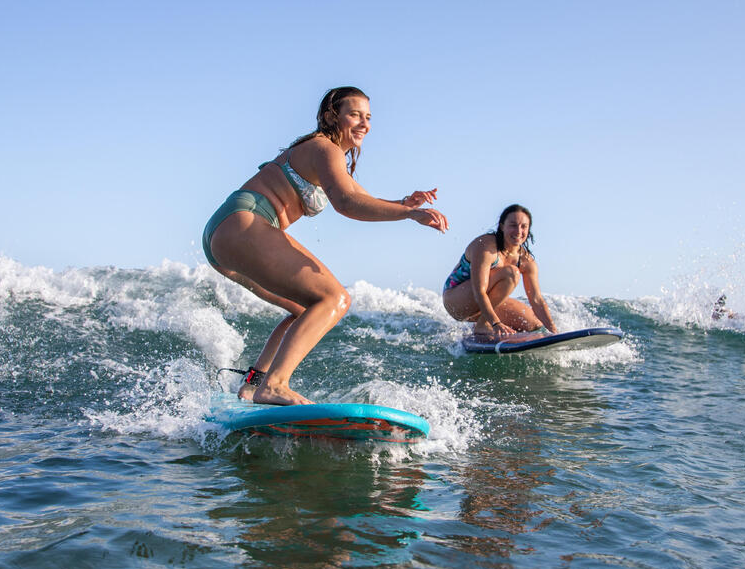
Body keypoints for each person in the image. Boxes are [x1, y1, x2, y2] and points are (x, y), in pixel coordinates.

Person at [202, 86, 448, 406]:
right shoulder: (325, 148)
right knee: (334, 298)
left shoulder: (325, 154)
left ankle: (254, 382)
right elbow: (347, 203)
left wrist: (402, 202)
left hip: (226, 233)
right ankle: (275, 385)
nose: (364, 124)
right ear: (333, 116)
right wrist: (410, 214)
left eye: (368, 117)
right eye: (355, 115)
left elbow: (359, 197)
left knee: (304, 309)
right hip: (244, 223)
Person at [442, 204, 557, 340]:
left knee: (533, 323)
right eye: (513, 225)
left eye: (523, 226)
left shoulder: (526, 261)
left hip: (482, 303)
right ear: (502, 226)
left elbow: (536, 300)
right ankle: (483, 326)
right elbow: (479, 291)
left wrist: (554, 332)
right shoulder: (486, 247)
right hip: (456, 300)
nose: (518, 231)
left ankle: (482, 324)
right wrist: (495, 323)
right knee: (511, 273)